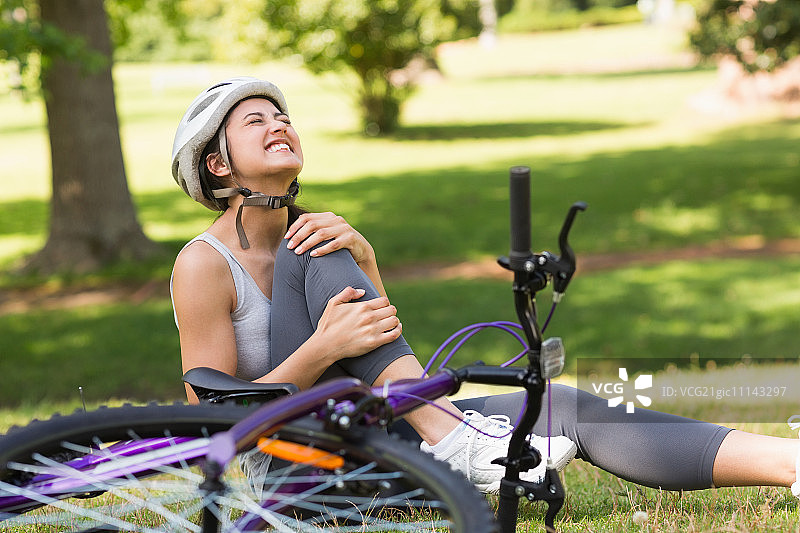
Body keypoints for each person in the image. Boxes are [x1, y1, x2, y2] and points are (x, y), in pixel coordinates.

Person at [170, 77, 799, 499]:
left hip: (368, 428)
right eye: (256, 121)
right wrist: (320, 347)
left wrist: (370, 265)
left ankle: (788, 464)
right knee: (320, 246)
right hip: (291, 470)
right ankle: (452, 440)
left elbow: (376, 354)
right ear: (217, 165)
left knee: (564, 406)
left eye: (282, 116)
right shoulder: (203, 264)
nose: (279, 124)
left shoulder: (317, 242)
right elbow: (208, 422)